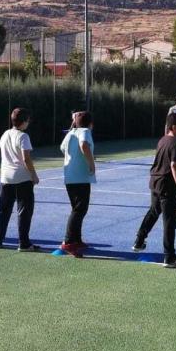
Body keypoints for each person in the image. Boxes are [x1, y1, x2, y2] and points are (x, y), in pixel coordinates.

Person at [133, 112, 176, 268]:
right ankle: (169, 257)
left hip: (155, 182)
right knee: (170, 221)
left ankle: (139, 240)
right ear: (174, 127)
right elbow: (174, 165)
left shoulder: (163, 140)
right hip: (166, 185)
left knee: (154, 211)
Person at [0, 108, 42, 252]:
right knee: (24, 211)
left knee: (3, 211)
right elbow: (26, 158)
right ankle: (24, 243)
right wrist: (33, 174)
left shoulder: (5, 134)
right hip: (22, 178)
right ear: (25, 121)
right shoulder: (23, 136)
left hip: (5, 178)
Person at [59, 110, 96, 258]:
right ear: (90, 123)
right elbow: (84, 146)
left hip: (70, 176)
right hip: (80, 176)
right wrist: (91, 163)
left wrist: (73, 158)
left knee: (78, 208)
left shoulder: (71, 132)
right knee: (79, 209)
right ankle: (68, 241)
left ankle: (77, 240)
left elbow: (62, 148)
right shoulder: (84, 131)